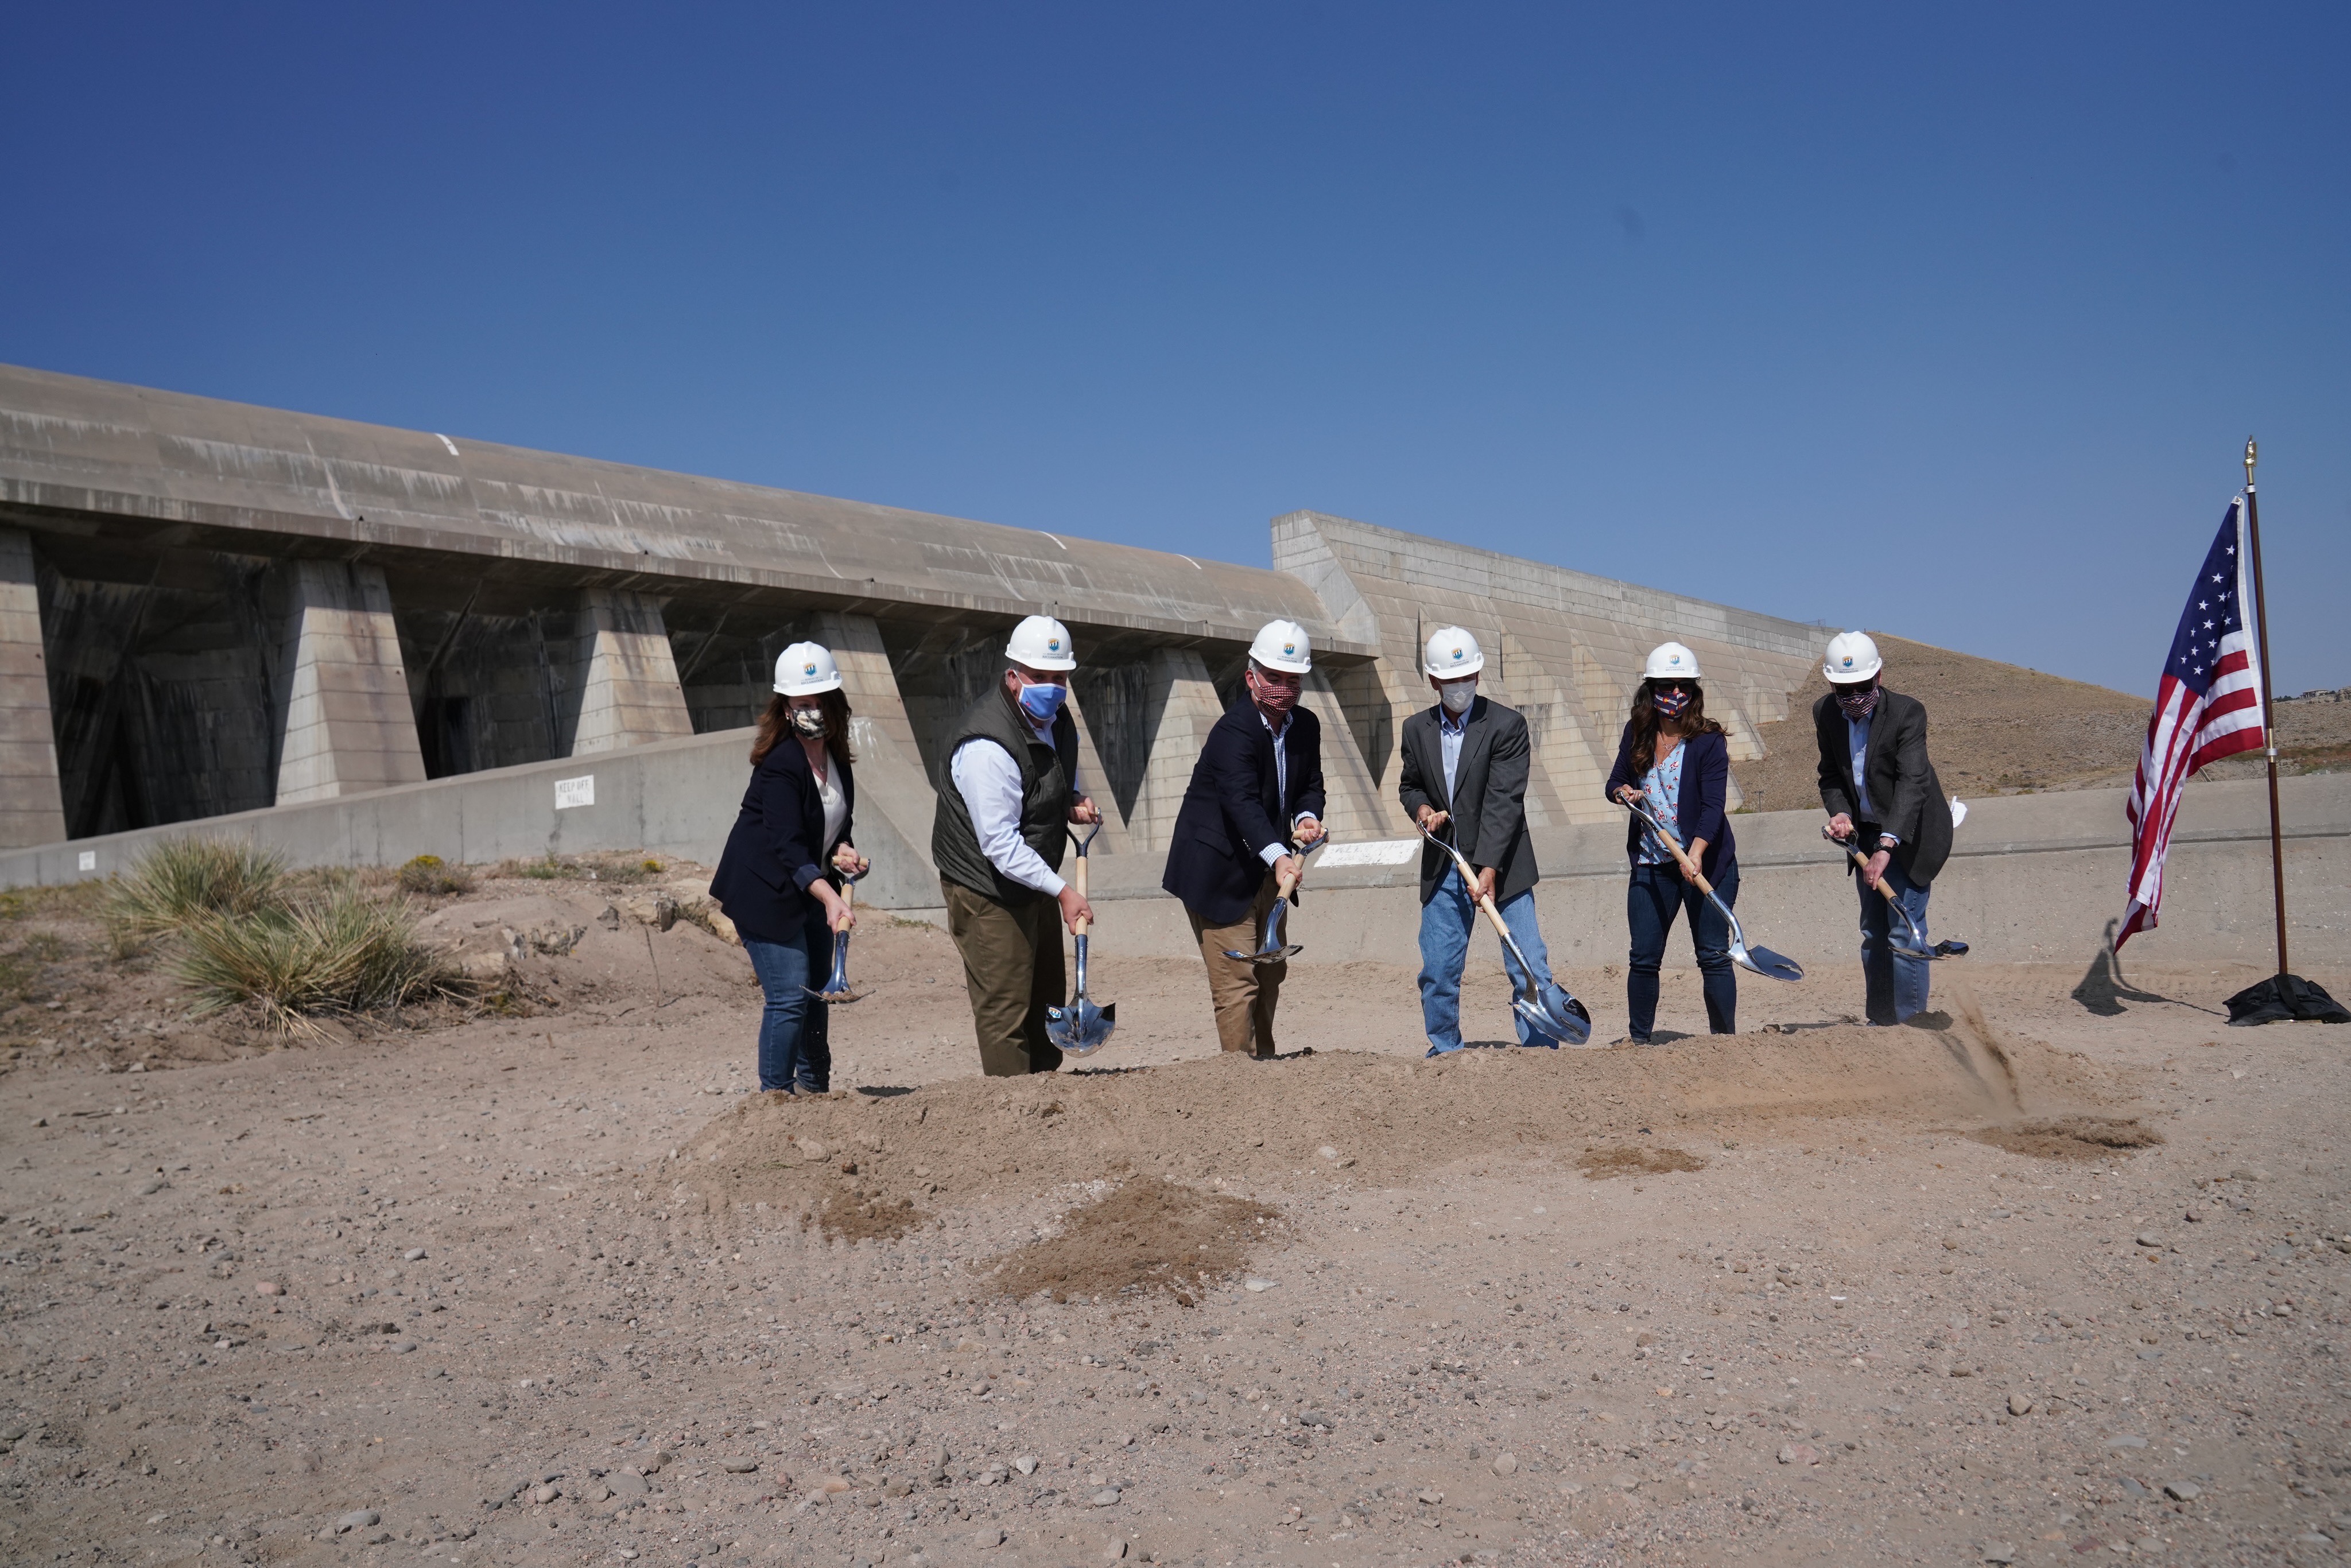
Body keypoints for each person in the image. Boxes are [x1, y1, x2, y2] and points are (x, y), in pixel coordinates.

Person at [932, 614, 1104, 1077]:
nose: (1052, 686)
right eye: (1040, 677)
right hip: (986, 887)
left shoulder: (1056, 718)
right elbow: (1001, 846)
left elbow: (1048, 773)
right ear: (1013, 677)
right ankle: (1011, 1112)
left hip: (1033, 880)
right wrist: (1066, 893)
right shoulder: (987, 746)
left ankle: (1046, 1091)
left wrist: (1071, 798)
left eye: (1060, 677)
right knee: (1005, 1008)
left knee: (1047, 998)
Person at [1398, 626, 1580, 1055]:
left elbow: (1505, 801)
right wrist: (1422, 810)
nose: (1461, 687)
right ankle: (1445, 1050)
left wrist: (1490, 869)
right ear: (1433, 681)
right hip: (1446, 865)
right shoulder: (1415, 730)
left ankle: (1539, 1052)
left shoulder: (1506, 725)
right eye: (1451, 679)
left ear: (1478, 676)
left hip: (1506, 865)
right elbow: (1410, 786)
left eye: (1468, 677)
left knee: (1527, 963)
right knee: (1439, 969)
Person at [1161, 619, 1329, 1058]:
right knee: (1238, 982)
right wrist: (1278, 857)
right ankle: (1239, 1076)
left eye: (1293, 680)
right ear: (1251, 676)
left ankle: (1265, 1065)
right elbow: (1242, 803)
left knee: (1271, 973)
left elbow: (1310, 782)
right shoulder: (1232, 732)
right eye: (1273, 678)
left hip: (1268, 870)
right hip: (1219, 872)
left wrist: (1308, 817)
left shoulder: (1305, 726)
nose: (1284, 688)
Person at [708, 641, 868, 1096]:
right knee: (789, 998)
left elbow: (836, 823)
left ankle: (815, 1093)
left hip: (807, 887)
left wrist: (843, 850)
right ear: (785, 709)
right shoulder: (780, 766)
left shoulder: (836, 761)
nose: (812, 711)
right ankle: (775, 1104)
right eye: (802, 703)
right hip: (764, 891)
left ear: (835, 704)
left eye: (820, 702)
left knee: (819, 996)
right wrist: (832, 897)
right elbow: (786, 843)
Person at [1813, 630, 1953, 1025]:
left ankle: (1912, 1026)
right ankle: (1880, 1023)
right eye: (1843, 689)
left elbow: (1913, 782)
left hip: (1909, 833)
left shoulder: (1908, 713)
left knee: (1904, 932)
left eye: (1861, 687)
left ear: (1878, 677)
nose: (1853, 697)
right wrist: (1841, 814)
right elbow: (1830, 776)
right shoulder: (1825, 713)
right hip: (1866, 833)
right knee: (1874, 932)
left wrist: (1887, 845)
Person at [1604, 641, 1739, 1043]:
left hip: (1707, 862)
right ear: (1651, 690)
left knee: (1713, 955)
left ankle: (1724, 1042)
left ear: (1694, 692)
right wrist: (1623, 792)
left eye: (1683, 687)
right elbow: (1614, 781)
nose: (1675, 694)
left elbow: (1714, 806)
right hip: (1652, 862)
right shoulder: (1638, 733)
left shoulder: (1708, 741)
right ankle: (1640, 1041)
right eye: (1667, 686)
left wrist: (1695, 853)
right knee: (1644, 957)